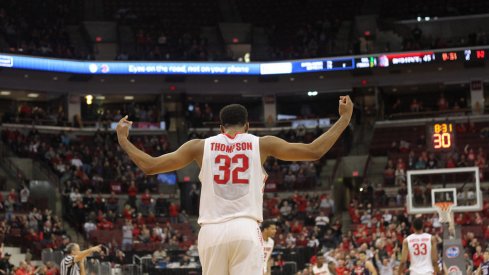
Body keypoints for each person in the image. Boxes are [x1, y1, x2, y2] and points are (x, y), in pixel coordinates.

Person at [116, 96, 353, 275]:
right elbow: (314, 151)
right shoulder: (262, 144)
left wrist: (124, 140)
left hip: (210, 231)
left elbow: (150, 166)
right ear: (247, 126)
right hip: (245, 228)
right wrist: (344, 119)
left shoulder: (199, 146)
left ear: (220, 128)